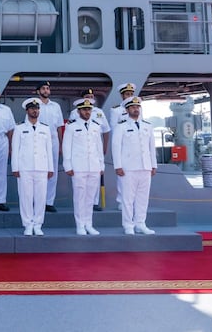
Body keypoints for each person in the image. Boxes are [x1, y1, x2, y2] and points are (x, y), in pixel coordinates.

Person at [111, 96, 158, 235]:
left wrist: (153, 165)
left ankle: (140, 223)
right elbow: (116, 147)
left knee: (143, 197)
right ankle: (128, 225)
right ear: (127, 110)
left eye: (137, 107)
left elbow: (151, 147)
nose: (136, 109)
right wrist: (117, 166)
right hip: (128, 168)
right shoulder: (121, 126)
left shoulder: (147, 126)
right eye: (132, 107)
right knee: (127, 198)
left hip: (145, 166)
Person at [11, 98, 53, 236]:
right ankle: (28, 224)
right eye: (32, 108)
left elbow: (49, 150)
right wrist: (15, 168)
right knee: (26, 197)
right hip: (25, 167)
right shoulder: (19, 128)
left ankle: (38, 224)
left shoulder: (45, 128)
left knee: (41, 197)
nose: (35, 111)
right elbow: (15, 149)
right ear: (27, 110)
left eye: (37, 108)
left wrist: (50, 168)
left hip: (42, 167)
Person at [63, 99, 104, 235]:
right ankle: (80, 224)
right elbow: (66, 147)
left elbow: (99, 147)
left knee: (90, 197)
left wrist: (101, 165)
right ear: (79, 111)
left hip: (93, 166)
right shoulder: (71, 126)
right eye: (85, 109)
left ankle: (89, 224)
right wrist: (67, 164)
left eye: (89, 109)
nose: (87, 112)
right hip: (78, 166)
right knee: (80, 196)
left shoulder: (96, 126)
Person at [67, 88, 110, 212]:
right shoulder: (75, 113)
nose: (90, 98)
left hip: (95, 148)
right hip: (80, 151)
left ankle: (95, 202)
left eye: (91, 96)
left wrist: (105, 147)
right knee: (81, 184)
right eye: (87, 96)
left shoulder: (99, 112)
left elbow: (106, 130)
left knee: (94, 178)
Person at [35, 81, 64, 213]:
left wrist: (60, 144)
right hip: (38, 140)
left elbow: (59, 126)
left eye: (47, 88)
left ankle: (49, 202)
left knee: (52, 172)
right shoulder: (34, 105)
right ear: (38, 91)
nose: (46, 90)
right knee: (38, 170)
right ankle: (38, 201)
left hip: (53, 140)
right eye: (43, 88)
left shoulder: (56, 106)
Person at [109, 82, 137, 211]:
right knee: (122, 174)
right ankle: (121, 200)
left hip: (135, 146)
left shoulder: (137, 109)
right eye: (127, 94)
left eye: (131, 94)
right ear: (122, 95)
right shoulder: (116, 110)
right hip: (123, 146)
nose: (129, 96)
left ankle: (133, 199)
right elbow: (114, 129)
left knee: (135, 174)